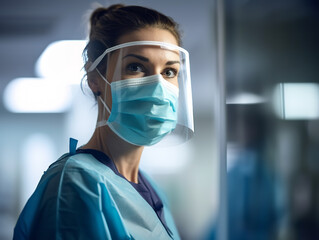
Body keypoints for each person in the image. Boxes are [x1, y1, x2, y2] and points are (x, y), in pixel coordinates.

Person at [13, 4, 194, 240]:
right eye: (136, 67)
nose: (158, 85)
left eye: (169, 71)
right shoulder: (76, 184)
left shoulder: (149, 187)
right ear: (95, 80)